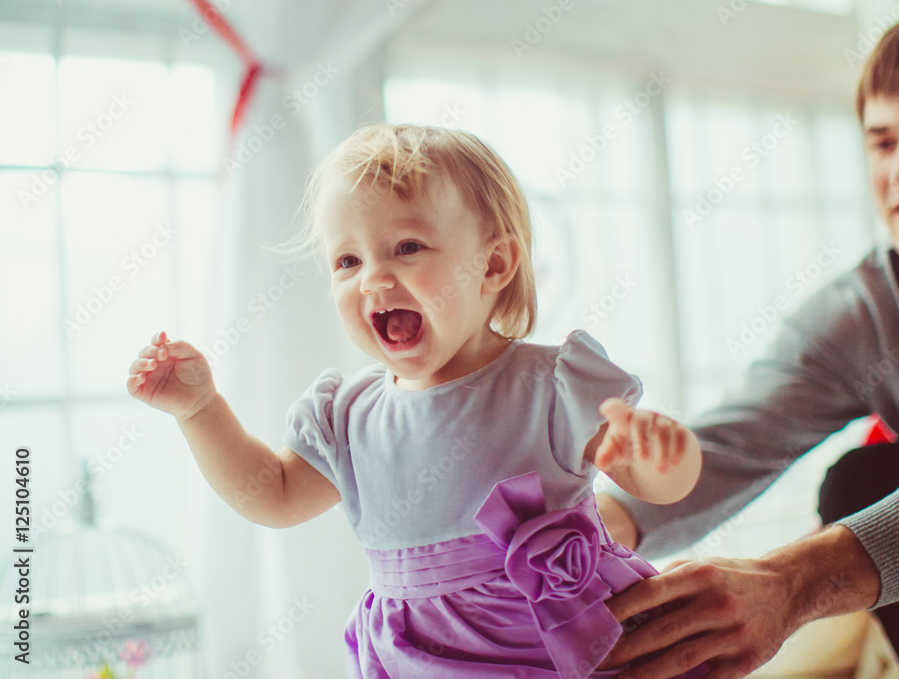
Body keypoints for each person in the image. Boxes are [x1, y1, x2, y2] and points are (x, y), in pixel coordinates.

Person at [126, 124, 708, 678]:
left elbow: (660, 486)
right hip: (417, 659)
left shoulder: (550, 385)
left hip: (558, 646)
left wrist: (663, 459)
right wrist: (199, 411)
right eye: (348, 261)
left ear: (494, 263)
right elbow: (271, 495)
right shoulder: (348, 416)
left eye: (406, 247)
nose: (373, 279)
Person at [595, 0, 899, 679]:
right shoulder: (868, 309)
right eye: (882, 139)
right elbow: (739, 439)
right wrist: (592, 536)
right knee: (862, 482)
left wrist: (792, 584)